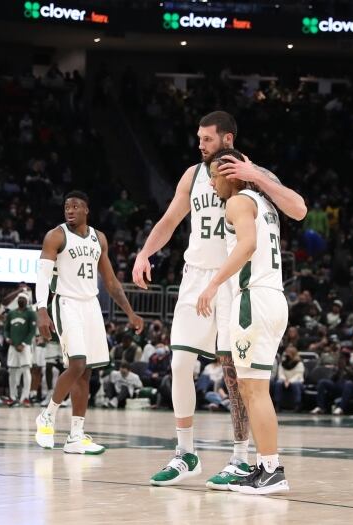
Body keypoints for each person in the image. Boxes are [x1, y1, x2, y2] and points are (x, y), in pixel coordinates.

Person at [132, 111, 305, 489]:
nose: (200, 145)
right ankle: (185, 453)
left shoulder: (252, 178)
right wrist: (145, 253)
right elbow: (169, 219)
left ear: (227, 140)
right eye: (198, 138)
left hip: (236, 282)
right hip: (198, 276)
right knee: (180, 363)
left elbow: (297, 209)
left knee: (236, 374)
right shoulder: (193, 176)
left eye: (207, 139)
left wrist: (257, 176)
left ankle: (242, 459)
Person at [195, 148, 290, 494]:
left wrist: (213, 283)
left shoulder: (237, 202)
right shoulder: (264, 203)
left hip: (253, 299)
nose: (210, 182)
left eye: (215, 175)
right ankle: (266, 467)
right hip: (273, 297)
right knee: (253, 388)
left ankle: (271, 470)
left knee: (254, 389)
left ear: (232, 175)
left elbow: (247, 244)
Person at [34, 191, 144, 455]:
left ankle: (76, 435)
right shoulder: (56, 236)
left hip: (91, 305)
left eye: (75, 206)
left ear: (86, 210)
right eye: (66, 207)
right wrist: (41, 309)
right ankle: (46, 416)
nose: (69, 210)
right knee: (77, 363)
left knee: (86, 371)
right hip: (66, 303)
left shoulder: (99, 238)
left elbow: (110, 281)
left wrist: (130, 312)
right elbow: (42, 275)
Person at [5, 293, 36, 407]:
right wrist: (8, 338)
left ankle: (25, 397)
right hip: (13, 346)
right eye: (20, 298)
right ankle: (12, 397)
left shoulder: (31, 313)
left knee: (26, 370)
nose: (21, 300)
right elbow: (6, 329)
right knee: (12, 371)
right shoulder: (11, 313)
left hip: (25, 347)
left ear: (27, 301)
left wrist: (23, 344)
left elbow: (32, 331)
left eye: (23, 298)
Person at [273, 346, 304, 412]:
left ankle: (297, 405)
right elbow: (280, 373)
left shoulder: (299, 363)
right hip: (284, 380)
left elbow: (298, 375)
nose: (287, 354)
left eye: (289, 353)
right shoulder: (283, 363)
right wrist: (284, 380)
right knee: (278, 383)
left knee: (295, 384)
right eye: (286, 352)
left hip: (296, 381)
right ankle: (277, 404)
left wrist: (289, 381)